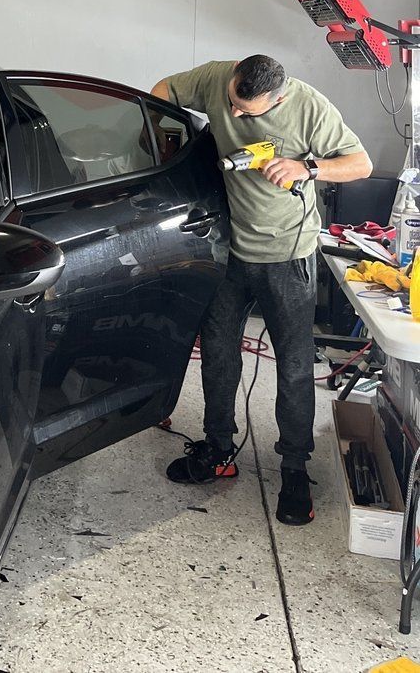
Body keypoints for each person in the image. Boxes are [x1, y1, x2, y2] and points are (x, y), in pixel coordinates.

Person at [149, 55, 372, 526]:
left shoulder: (310, 107)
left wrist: (306, 168)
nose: (235, 117)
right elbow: (164, 89)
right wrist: (163, 141)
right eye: (231, 104)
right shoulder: (216, 77)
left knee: (293, 367)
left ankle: (294, 468)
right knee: (218, 351)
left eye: (248, 113)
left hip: (288, 256)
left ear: (279, 96)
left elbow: (360, 164)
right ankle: (219, 449)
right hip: (231, 250)